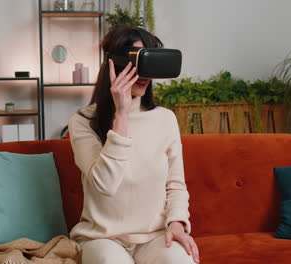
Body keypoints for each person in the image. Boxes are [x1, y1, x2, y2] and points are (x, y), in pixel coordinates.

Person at [67, 25, 199, 264]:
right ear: (114, 65)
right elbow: (105, 185)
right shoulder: (82, 122)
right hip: (102, 239)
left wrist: (177, 222)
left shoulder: (165, 119)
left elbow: (176, 185)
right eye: (138, 62)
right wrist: (122, 115)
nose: (145, 74)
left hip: (154, 238)